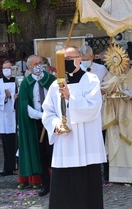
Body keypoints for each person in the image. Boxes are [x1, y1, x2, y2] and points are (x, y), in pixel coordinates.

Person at [42, 46, 107, 208]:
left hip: (86, 144)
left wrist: (71, 96)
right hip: (65, 145)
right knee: (63, 192)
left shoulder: (91, 80)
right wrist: (56, 124)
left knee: (86, 191)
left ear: (80, 59)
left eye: (71, 58)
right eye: (64, 60)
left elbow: (93, 108)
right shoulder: (54, 85)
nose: (68, 62)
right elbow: (48, 111)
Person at [101, 46, 132, 184]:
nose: (122, 65)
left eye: (124, 61)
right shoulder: (110, 76)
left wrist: (131, 94)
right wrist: (108, 90)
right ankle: (117, 176)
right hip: (115, 114)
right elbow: (104, 91)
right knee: (117, 144)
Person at [17, 55, 55, 197]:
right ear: (29, 68)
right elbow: (24, 105)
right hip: (36, 123)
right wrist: (40, 115)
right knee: (41, 154)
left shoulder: (51, 80)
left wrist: (49, 115)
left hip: (52, 121)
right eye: (35, 64)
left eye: (40, 63)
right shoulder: (26, 83)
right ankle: (46, 184)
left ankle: (58, 182)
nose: (38, 66)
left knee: (53, 152)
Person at [80, 45, 109, 181]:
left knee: (103, 140)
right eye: (83, 59)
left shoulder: (102, 69)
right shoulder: (77, 69)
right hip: (84, 111)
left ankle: (106, 170)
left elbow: (107, 84)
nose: (85, 61)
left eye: (88, 58)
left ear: (92, 57)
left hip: (100, 110)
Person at [0, 60, 17, 176]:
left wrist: (15, 97)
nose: (6, 70)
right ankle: (8, 168)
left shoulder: (17, 81)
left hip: (15, 116)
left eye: (8, 68)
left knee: (16, 142)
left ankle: (18, 167)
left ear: (13, 69)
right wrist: (6, 97)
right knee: (6, 144)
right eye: (4, 68)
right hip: (5, 117)